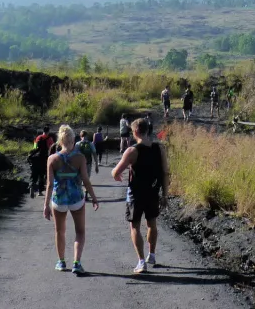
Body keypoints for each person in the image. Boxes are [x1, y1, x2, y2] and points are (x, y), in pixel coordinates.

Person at [112, 117, 170, 274]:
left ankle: (141, 261)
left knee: (135, 226)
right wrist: (165, 194)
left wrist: (117, 175)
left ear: (136, 131)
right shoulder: (159, 149)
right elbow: (165, 173)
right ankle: (152, 255)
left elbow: (116, 171)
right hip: (153, 192)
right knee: (152, 223)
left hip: (136, 194)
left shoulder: (132, 151)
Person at [44, 124, 99, 275]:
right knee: (80, 231)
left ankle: (61, 262)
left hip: (59, 199)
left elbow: (49, 184)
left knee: (59, 231)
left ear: (59, 141)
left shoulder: (52, 159)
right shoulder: (80, 158)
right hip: (76, 198)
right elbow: (86, 181)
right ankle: (76, 262)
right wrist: (94, 198)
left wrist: (46, 205)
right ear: (73, 140)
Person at [31, 126, 55, 195]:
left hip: (36, 158)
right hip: (44, 158)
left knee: (35, 173)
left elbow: (34, 147)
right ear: (48, 131)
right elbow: (52, 149)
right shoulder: (50, 139)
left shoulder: (38, 137)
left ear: (43, 131)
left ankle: (32, 185)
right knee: (42, 174)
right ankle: (40, 191)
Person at [75, 131, 96, 199]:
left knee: (79, 180)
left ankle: (79, 195)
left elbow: (74, 155)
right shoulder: (90, 144)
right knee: (86, 180)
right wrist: (96, 165)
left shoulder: (77, 144)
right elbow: (94, 154)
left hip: (78, 165)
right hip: (88, 164)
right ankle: (86, 195)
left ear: (80, 136)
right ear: (87, 136)